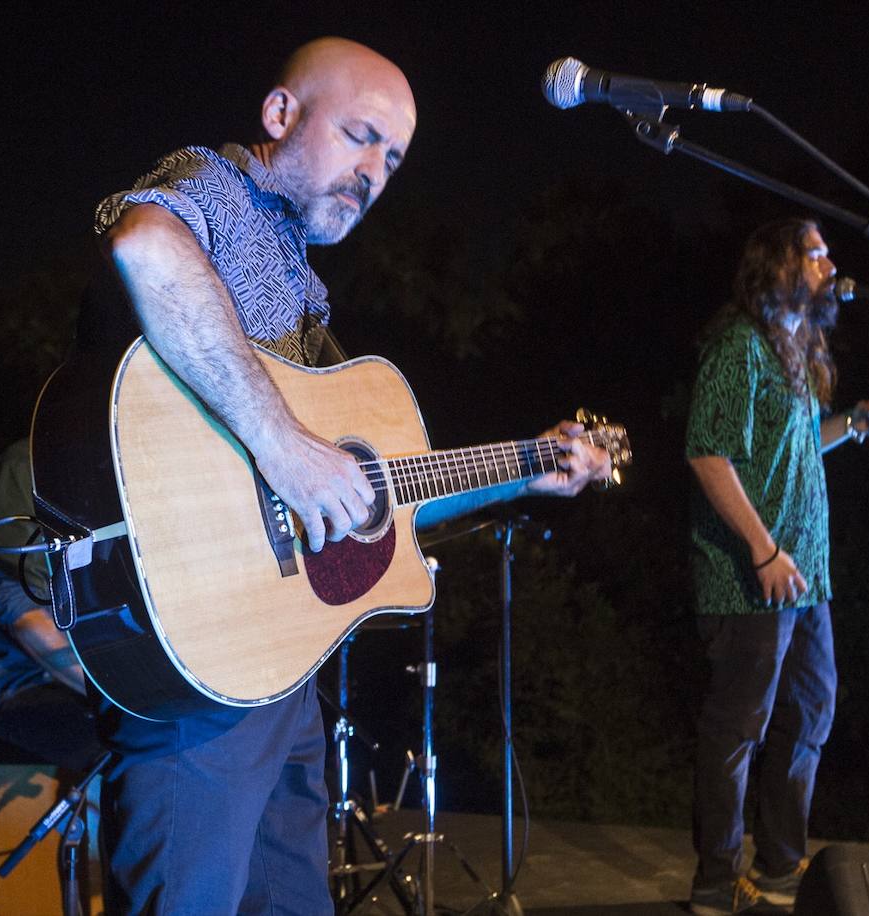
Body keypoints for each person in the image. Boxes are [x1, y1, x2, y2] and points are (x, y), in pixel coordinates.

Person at [74, 37, 612, 912]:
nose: (374, 172)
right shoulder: (215, 183)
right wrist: (284, 446)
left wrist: (527, 469)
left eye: (393, 158)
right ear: (281, 115)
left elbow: (374, 489)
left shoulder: (303, 288)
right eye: (361, 135)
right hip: (199, 655)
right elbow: (145, 247)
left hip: (283, 670)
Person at [685, 218, 869, 914]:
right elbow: (709, 454)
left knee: (809, 711)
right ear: (777, 264)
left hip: (804, 576)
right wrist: (762, 548)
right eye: (816, 252)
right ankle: (717, 880)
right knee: (737, 727)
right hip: (753, 576)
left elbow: (793, 451)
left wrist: (851, 428)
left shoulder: (794, 351)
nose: (830, 263)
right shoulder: (738, 345)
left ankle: (778, 870)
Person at [0, 438, 104, 773]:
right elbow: (31, 626)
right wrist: (123, 697)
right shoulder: (25, 464)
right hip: (27, 691)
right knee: (137, 749)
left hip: (104, 682)